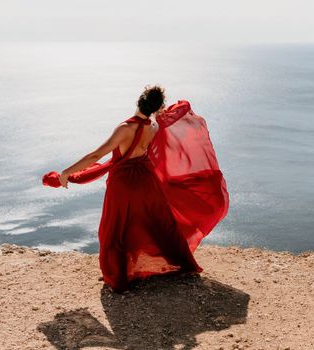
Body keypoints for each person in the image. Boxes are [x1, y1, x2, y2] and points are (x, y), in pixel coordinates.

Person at [42, 85, 229, 294]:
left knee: (116, 229)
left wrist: (66, 172)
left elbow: (95, 156)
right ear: (155, 107)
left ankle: (119, 277)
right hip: (147, 181)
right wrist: (160, 113)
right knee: (156, 223)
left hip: (123, 184)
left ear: (139, 101)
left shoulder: (124, 128)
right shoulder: (154, 128)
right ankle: (179, 263)